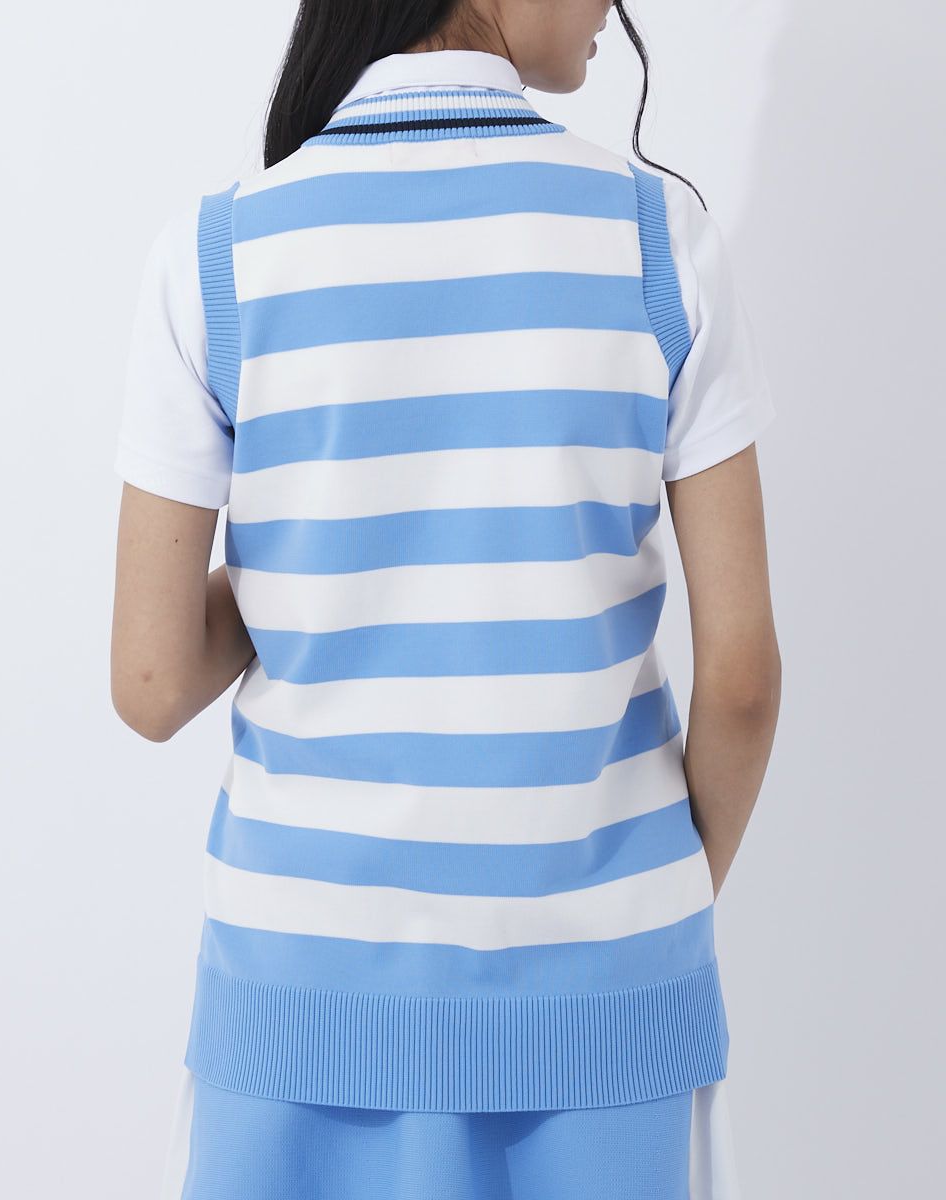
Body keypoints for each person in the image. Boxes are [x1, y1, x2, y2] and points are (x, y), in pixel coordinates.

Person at [110, 2, 782, 1197]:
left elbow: (152, 682)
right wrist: (654, 916)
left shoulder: (220, 250)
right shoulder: (652, 236)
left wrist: (336, 554)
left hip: (298, 1000)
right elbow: (740, 679)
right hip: (604, 1004)